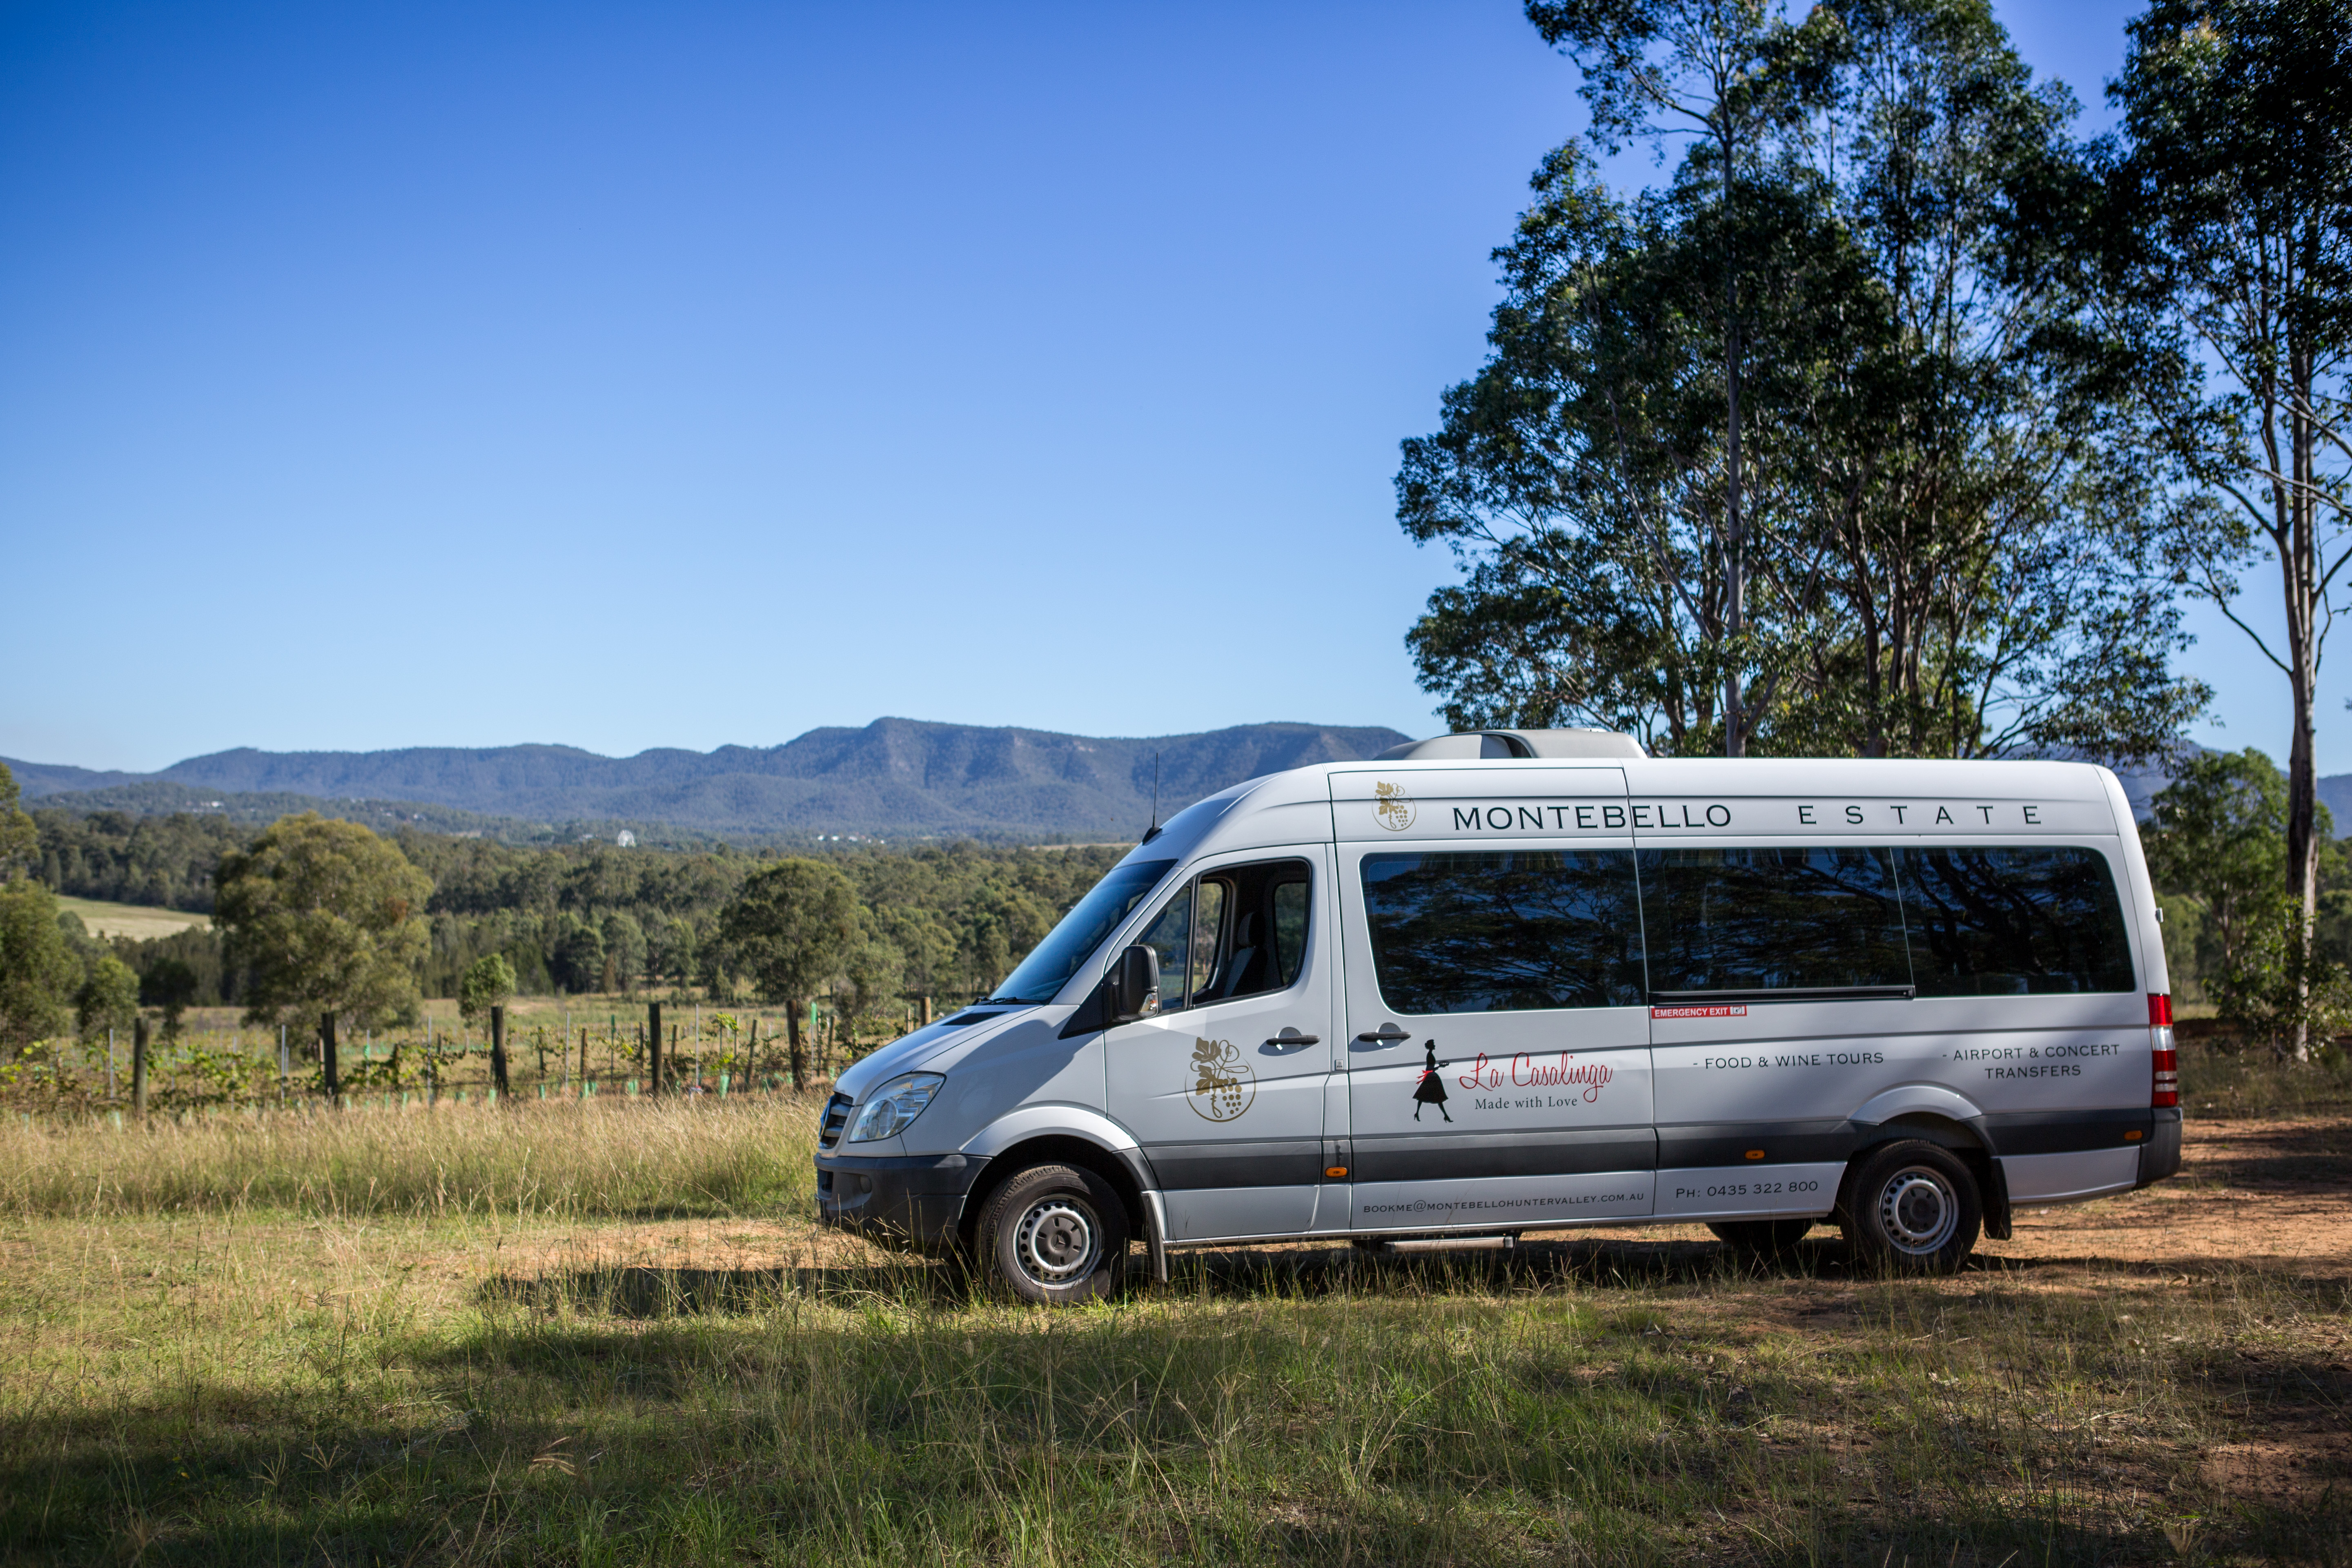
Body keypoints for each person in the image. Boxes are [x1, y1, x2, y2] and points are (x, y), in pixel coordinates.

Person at [1412, 1039, 1451, 1123]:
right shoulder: (1429, 1055)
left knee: (1424, 1096)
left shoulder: (1430, 1054)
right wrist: (1439, 1067)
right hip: (1431, 1077)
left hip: (1432, 1076)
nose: (1435, 1046)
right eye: (1433, 1045)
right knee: (1436, 1097)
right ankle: (1445, 1116)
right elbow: (1429, 1069)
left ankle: (1418, 1113)